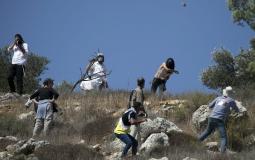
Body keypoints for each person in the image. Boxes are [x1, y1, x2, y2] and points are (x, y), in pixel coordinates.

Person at [198, 86, 240, 153]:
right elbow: (237, 110)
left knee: (207, 132)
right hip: (219, 120)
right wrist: (230, 109)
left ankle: (195, 143)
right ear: (231, 94)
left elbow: (210, 106)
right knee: (223, 137)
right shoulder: (231, 100)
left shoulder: (218, 98)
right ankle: (222, 154)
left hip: (211, 118)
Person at [129, 77, 147, 143]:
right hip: (135, 112)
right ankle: (130, 145)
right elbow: (139, 103)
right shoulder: (139, 91)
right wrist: (144, 113)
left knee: (137, 131)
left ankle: (136, 147)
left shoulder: (135, 90)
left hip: (132, 111)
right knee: (135, 130)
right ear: (142, 83)